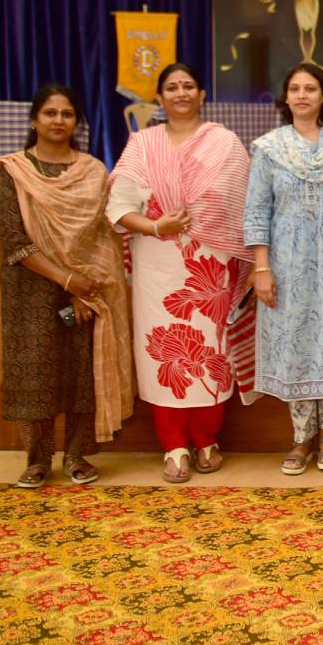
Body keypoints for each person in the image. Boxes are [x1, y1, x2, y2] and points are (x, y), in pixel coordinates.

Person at [0, 83, 133, 488]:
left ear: (77, 120)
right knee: (33, 372)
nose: (58, 121)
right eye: (50, 113)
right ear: (34, 119)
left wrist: (84, 286)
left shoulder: (92, 171)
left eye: (66, 114)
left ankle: (78, 456)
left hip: (87, 290)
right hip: (29, 287)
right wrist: (67, 280)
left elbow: (102, 235)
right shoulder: (12, 172)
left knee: (84, 372)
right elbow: (14, 240)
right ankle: (37, 460)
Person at [108, 62, 253, 484]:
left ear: (202, 94)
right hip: (158, 263)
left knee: (211, 354)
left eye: (189, 85)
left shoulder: (224, 143)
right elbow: (118, 208)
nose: (181, 93)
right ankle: (174, 445)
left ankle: (207, 439)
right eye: (171, 87)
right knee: (164, 353)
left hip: (212, 265)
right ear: (159, 98)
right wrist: (157, 226)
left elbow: (242, 205)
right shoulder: (142, 144)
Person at [245, 62, 323, 475]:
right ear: (285, 98)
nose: (301, 95)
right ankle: (301, 439)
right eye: (294, 88)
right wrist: (262, 268)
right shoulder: (268, 148)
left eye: (310, 88)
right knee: (296, 346)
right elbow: (257, 210)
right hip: (286, 266)